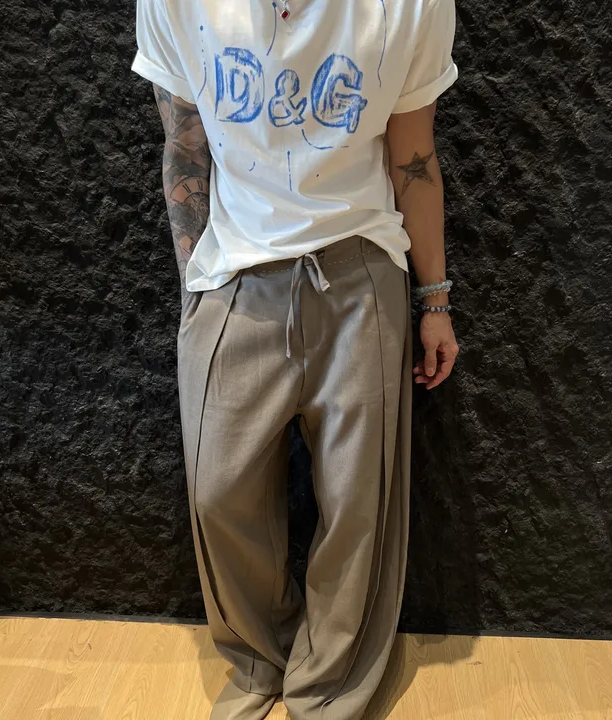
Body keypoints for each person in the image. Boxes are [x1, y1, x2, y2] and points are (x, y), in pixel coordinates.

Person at [131, 0, 459, 717]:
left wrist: (434, 300)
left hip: (361, 266)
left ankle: (329, 687)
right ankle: (261, 660)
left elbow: (414, 157)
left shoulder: (412, 6)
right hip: (234, 274)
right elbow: (184, 147)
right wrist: (195, 289)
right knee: (218, 491)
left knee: (359, 503)